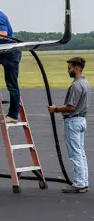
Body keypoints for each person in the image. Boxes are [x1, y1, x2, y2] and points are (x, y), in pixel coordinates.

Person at [48, 57, 91, 193]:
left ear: (76, 68)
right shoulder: (86, 83)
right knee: (80, 153)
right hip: (81, 120)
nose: (69, 70)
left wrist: (56, 109)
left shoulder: (76, 85)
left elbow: (71, 107)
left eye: (70, 68)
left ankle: (79, 184)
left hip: (73, 121)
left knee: (75, 154)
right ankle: (83, 181)